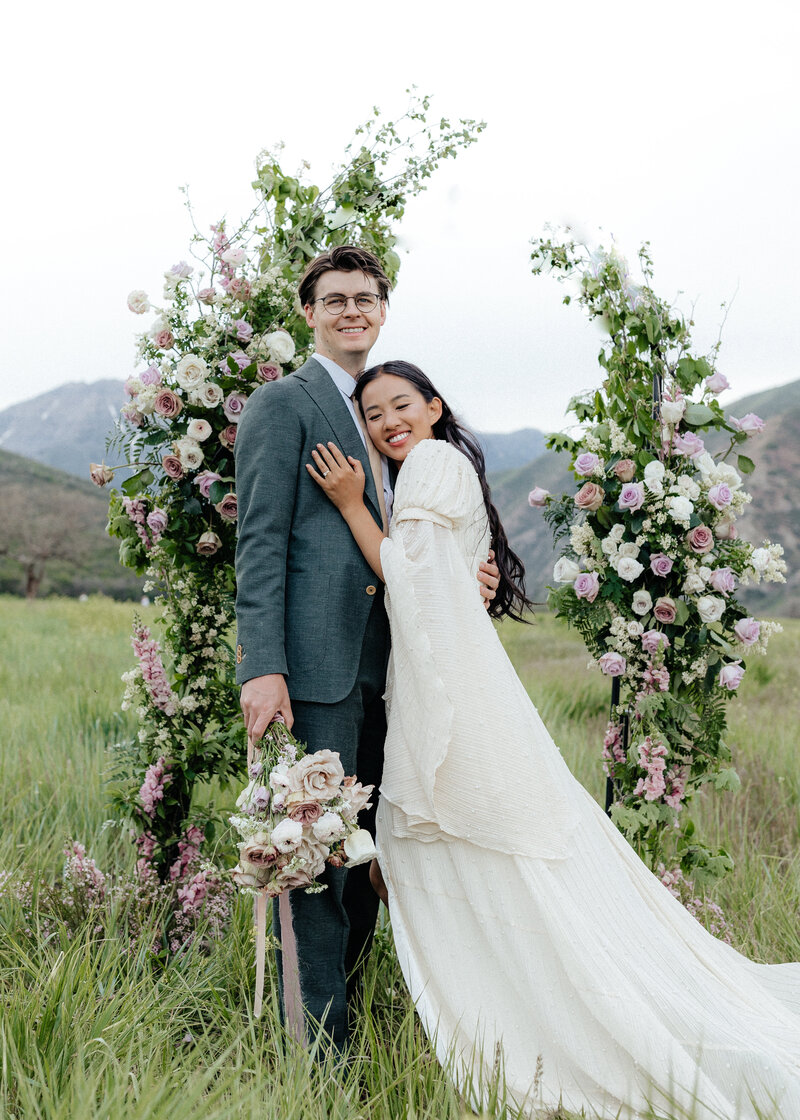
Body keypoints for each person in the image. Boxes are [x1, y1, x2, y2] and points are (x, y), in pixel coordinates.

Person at [308, 359, 800, 1120]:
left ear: (435, 407)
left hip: (452, 689)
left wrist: (348, 505)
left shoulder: (432, 465)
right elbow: (440, 578)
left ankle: (534, 1022)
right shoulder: (426, 474)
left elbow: (414, 579)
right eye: (371, 415)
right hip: (448, 676)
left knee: (468, 837)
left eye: (399, 405)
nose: (385, 423)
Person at [233, 248, 499, 1051]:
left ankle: (345, 1006)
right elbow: (261, 542)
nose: (353, 309)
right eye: (335, 298)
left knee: (368, 863)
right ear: (308, 312)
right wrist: (263, 666)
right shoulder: (286, 403)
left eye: (366, 297)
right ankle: (318, 1055)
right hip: (313, 672)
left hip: (396, 673)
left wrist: (467, 580)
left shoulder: (388, 414)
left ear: (383, 309)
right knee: (313, 858)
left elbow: (413, 544)